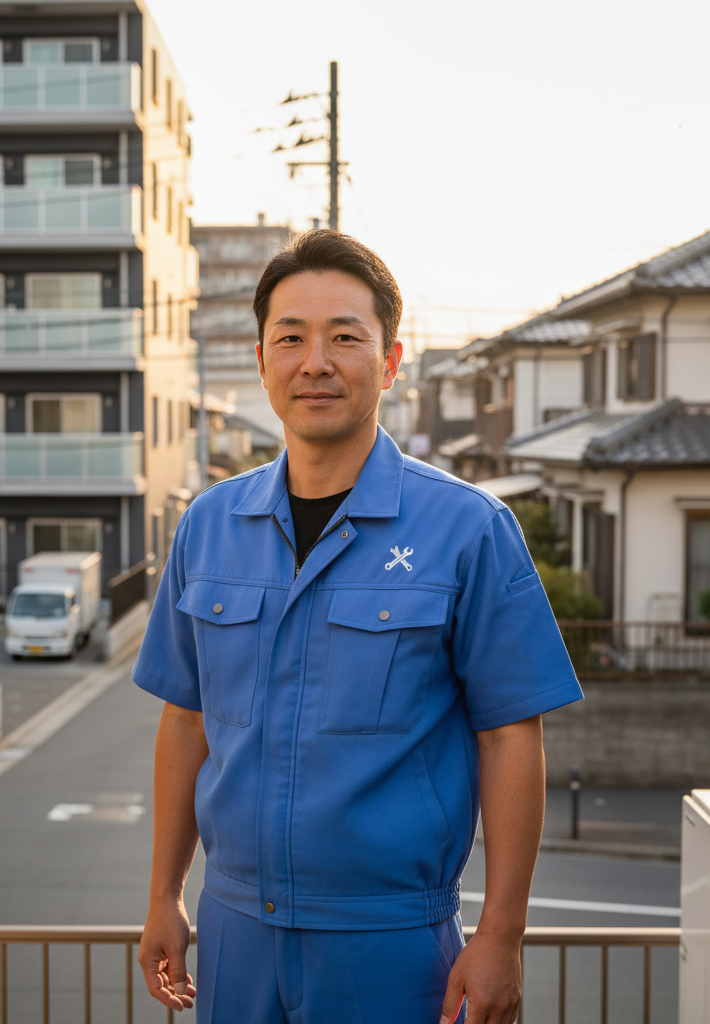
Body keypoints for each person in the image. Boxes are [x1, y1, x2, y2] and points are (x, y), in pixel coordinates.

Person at [133, 230, 583, 1024]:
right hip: (234, 931)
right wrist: (165, 893)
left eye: (346, 337)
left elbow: (511, 735)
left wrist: (501, 935)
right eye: (291, 339)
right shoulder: (209, 525)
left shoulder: (468, 528)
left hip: (392, 937)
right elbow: (187, 718)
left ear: (392, 359)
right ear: (262, 360)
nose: (317, 362)